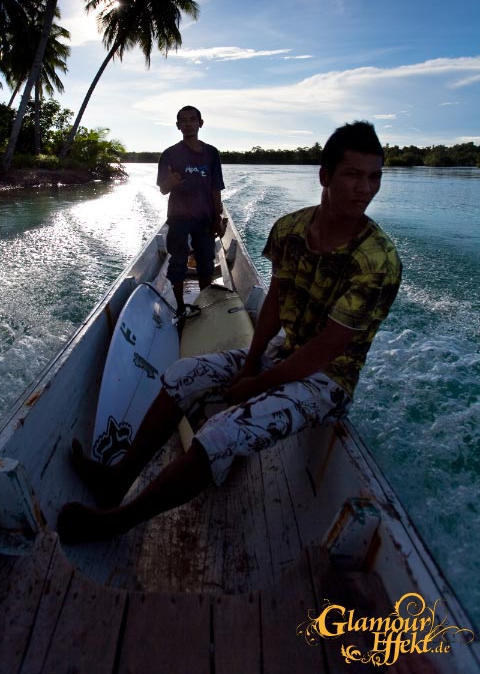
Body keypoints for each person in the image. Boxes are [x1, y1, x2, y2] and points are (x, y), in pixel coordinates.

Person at [58, 121, 402, 542]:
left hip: (329, 379)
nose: (365, 188)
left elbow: (328, 349)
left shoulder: (377, 261)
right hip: (283, 351)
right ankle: (117, 478)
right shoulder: (292, 229)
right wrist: (252, 361)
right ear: (325, 176)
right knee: (180, 375)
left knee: (221, 431)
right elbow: (274, 301)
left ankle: (120, 521)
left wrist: (257, 382)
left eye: (374, 177)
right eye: (353, 174)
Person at [156, 106, 225, 317]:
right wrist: (171, 181)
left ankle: (203, 304)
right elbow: (163, 189)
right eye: (183, 120)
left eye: (192, 119)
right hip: (178, 218)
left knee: (205, 263)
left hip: (204, 218)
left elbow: (216, 189)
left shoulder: (212, 153)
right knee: (178, 262)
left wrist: (218, 217)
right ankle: (179, 307)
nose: (188, 123)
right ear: (178, 126)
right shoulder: (169, 154)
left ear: (200, 123)